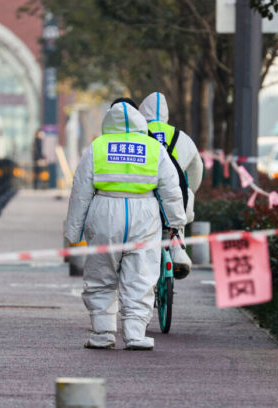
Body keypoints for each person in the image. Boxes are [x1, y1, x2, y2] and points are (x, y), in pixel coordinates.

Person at [64, 102, 186, 350]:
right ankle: (135, 334)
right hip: (145, 214)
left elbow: (81, 191)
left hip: (105, 212)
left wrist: (73, 231)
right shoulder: (154, 148)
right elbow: (171, 189)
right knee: (141, 276)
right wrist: (176, 223)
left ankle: (103, 333)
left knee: (101, 274)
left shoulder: (97, 147)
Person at [139, 92, 203, 279]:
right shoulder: (182, 137)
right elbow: (196, 170)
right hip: (176, 200)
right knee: (179, 206)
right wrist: (190, 190)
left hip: (145, 200)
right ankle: (178, 251)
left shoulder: (137, 135)